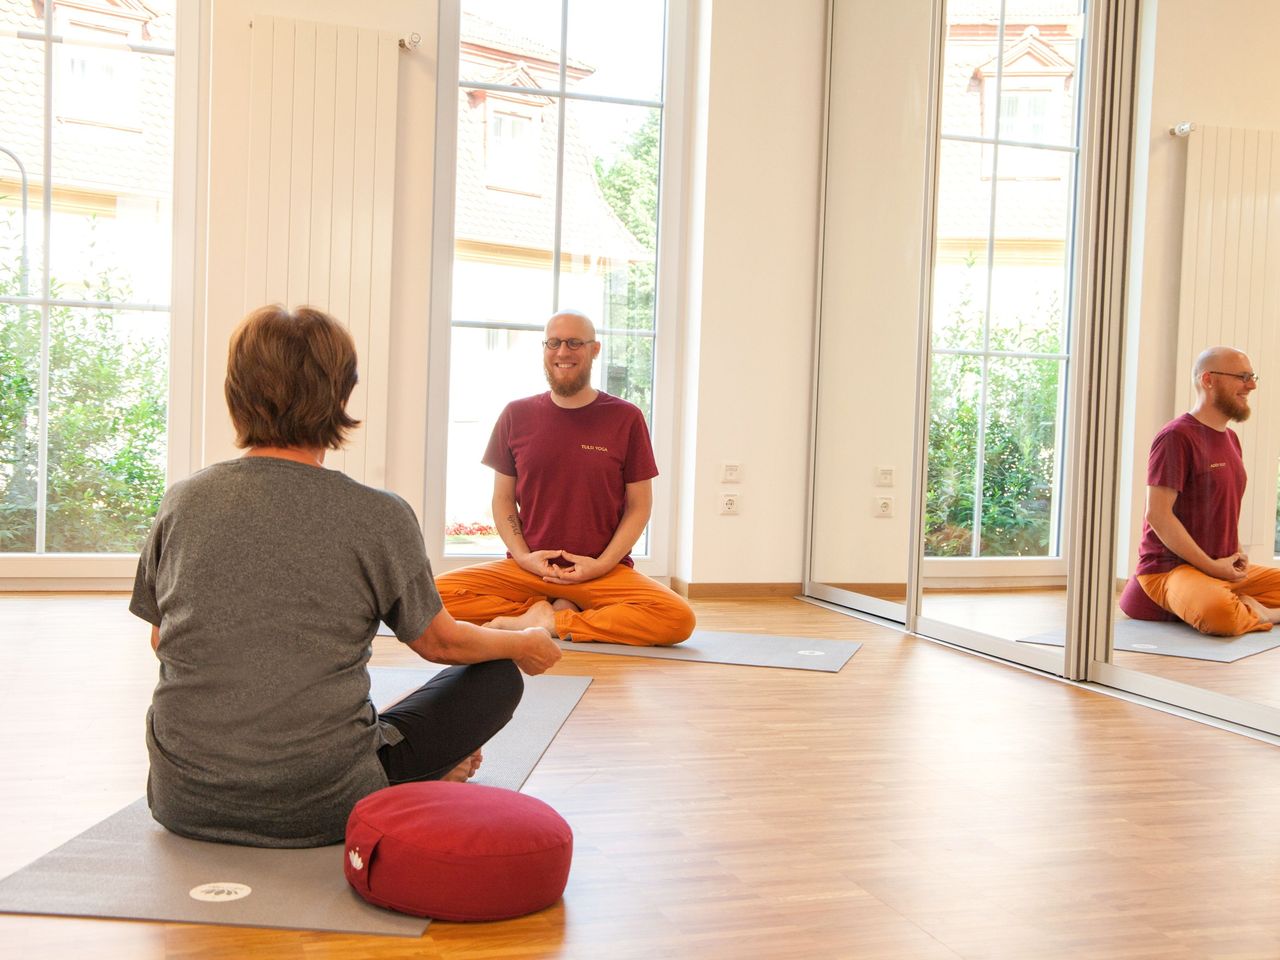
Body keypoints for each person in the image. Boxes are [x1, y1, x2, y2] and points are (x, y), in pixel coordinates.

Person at [129, 305, 561, 848]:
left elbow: (162, 639)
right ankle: (408, 781)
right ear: (340, 396)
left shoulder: (183, 500)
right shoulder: (378, 513)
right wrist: (522, 641)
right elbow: (440, 642)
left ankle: (395, 766)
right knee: (496, 676)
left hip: (181, 799)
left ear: (235, 391)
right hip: (328, 804)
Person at [436, 309, 696, 647]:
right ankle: (544, 611)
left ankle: (555, 619)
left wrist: (601, 565)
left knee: (678, 619)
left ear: (595, 350)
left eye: (575, 343)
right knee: (432, 597)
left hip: (598, 572)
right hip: (529, 570)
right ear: (544, 349)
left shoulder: (626, 418)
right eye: (554, 343)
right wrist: (525, 557)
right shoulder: (516, 414)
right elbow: (502, 500)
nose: (563, 352)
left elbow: (639, 506)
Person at [1119, 345, 1280, 635]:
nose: (1252, 385)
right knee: (1219, 614)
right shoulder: (1175, 437)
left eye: (1253, 376)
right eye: (1243, 377)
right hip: (1172, 570)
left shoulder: (1230, 438)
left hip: (1221, 566)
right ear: (1208, 379)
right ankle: (1247, 610)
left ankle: (1262, 611)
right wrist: (1212, 566)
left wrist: (1236, 551)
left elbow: (1216, 508)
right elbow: (1158, 515)